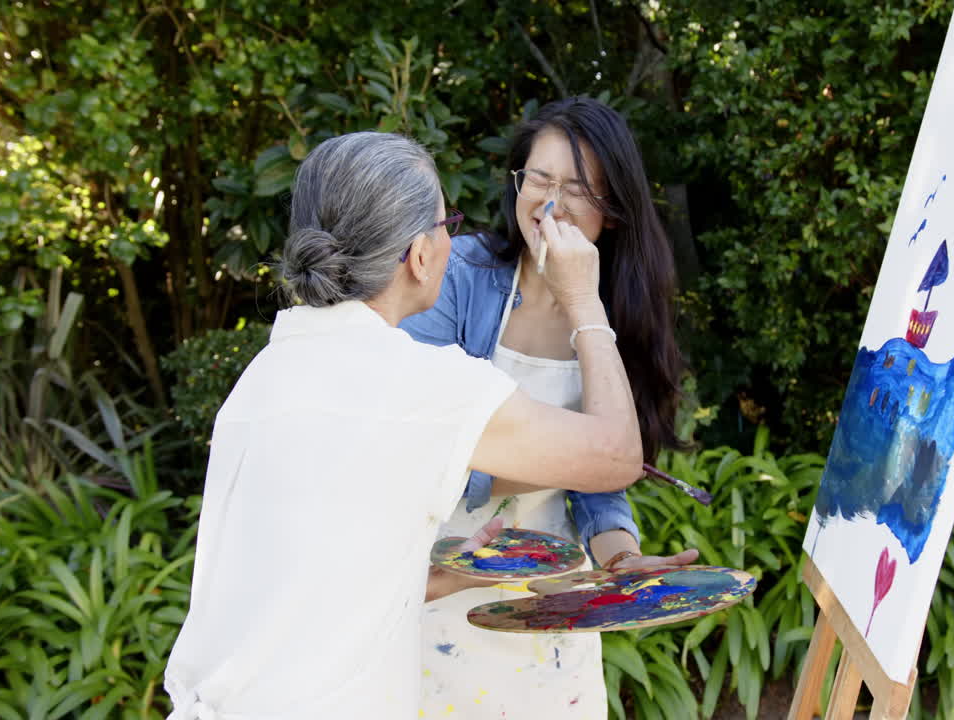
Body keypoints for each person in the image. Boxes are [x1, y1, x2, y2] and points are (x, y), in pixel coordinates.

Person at [163, 131, 643, 720]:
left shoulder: (267, 371)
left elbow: (314, 579)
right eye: (447, 224)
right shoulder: (421, 387)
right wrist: (585, 303)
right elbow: (617, 455)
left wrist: (446, 572)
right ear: (420, 255)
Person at [401, 96, 697, 718]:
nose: (551, 202)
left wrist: (619, 556)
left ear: (613, 212)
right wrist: (580, 461)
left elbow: (605, 483)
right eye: (539, 178)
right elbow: (422, 451)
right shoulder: (457, 276)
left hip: (550, 596)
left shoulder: (618, 313)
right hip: (435, 583)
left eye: (577, 188)